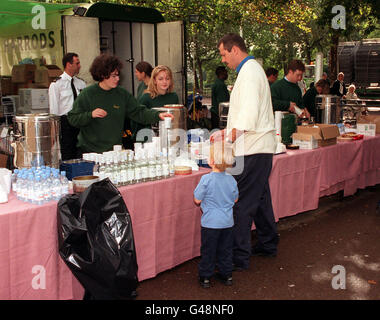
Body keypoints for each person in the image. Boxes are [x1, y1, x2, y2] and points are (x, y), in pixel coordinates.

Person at [212, 33, 279, 271]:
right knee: (259, 199)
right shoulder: (252, 69)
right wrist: (227, 132)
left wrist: (230, 135)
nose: (224, 61)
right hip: (257, 147)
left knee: (241, 204)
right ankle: (268, 242)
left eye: (223, 54)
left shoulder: (249, 72)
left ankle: (238, 257)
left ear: (234, 50)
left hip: (251, 149)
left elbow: (248, 112)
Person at [67, 54, 173, 155]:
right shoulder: (88, 94)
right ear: (102, 75)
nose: (117, 79)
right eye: (113, 76)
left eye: (118, 75)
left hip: (114, 151)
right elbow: (73, 118)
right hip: (89, 152)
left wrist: (157, 115)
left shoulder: (122, 94)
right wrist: (90, 115)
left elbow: (139, 112)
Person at [194, 141, 238, 288]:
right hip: (227, 222)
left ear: (211, 161)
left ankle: (206, 277)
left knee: (208, 250)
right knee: (225, 250)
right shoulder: (231, 179)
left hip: (210, 223)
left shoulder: (206, 179)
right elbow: (235, 198)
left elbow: (197, 199)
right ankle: (227, 275)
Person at [49, 52, 86, 161]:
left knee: (80, 151)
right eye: (77, 63)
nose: (79, 66)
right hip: (66, 122)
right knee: (68, 153)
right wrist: (54, 132)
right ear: (69, 65)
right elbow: (54, 111)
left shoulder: (81, 83)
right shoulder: (57, 84)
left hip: (79, 121)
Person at [136, 65, 179, 142]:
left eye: (167, 79)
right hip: (149, 140)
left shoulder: (174, 97)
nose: (164, 82)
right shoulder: (146, 98)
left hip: (169, 138)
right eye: (160, 79)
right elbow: (137, 120)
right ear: (155, 80)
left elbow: (176, 120)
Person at [126, 61, 154, 146]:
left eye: (136, 72)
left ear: (143, 73)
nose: (135, 74)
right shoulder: (141, 85)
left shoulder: (152, 88)